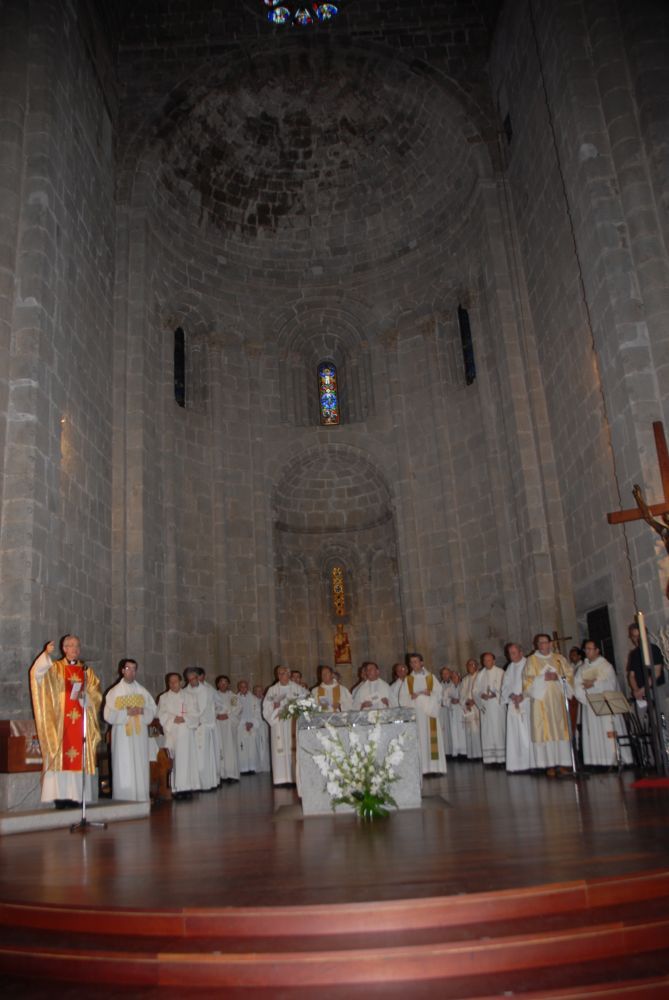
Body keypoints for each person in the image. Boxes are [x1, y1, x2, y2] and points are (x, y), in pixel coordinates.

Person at [29, 636, 102, 808]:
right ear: (64, 648)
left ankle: (75, 796)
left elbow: (96, 694)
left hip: (80, 720)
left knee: (78, 756)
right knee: (61, 755)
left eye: (77, 645)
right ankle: (60, 797)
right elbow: (36, 674)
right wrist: (46, 654)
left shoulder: (86, 671)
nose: (74, 648)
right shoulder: (54, 668)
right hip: (60, 721)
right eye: (70, 645)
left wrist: (87, 698)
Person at [103, 658, 157, 802]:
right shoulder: (114, 692)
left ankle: (141, 797)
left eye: (134, 669)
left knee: (140, 763)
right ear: (122, 671)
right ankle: (124, 798)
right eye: (128, 669)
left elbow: (152, 710)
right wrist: (126, 713)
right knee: (124, 764)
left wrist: (142, 710)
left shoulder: (142, 691)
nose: (131, 672)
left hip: (139, 735)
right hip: (122, 735)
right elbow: (107, 715)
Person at [523, 633, 574, 777]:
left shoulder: (559, 659)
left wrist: (557, 677)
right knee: (546, 730)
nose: (543, 645)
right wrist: (542, 677)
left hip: (557, 700)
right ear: (537, 645)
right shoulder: (531, 660)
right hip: (541, 702)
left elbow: (569, 675)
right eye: (540, 643)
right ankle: (549, 765)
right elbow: (527, 680)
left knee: (560, 729)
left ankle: (564, 763)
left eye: (545, 642)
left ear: (550, 644)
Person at [575, 640, 631, 768]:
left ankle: (615, 759)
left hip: (606, 703)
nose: (587, 652)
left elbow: (611, 684)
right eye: (585, 649)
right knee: (593, 732)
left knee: (609, 730)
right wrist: (585, 694)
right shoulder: (583, 667)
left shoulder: (606, 666)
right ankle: (598, 761)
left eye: (590, 649)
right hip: (590, 705)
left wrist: (593, 684)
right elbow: (577, 685)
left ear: (597, 650)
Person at [398, 652, 446, 775]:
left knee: (432, 739)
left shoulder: (430, 677)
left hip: (430, 715)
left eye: (415, 661)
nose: (413, 664)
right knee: (419, 739)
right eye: (411, 662)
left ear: (422, 663)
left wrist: (430, 694)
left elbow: (440, 693)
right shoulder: (408, 680)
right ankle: (422, 768)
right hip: (417, 715)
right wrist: (412, 697)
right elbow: (402, 699)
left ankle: (435, 768)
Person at [157, 673, 201, 799]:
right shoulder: (163, 698)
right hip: (173, 733)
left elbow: (196, 713)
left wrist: (185, 718)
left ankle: (189, 788)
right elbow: (161, 713)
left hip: (187, 732)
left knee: (188, 760)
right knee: (176, 761)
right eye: (170, 682)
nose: (173, 684)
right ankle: (177, 788)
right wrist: (172, 719)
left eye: (175, 681)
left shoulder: (189, 696)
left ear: (181, 682)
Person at [262, 665, 303, 785]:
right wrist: (274, 709)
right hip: (278, 721)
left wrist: (295, 710)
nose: (280, 675)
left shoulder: (297, 688)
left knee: (292, 747)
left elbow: (304, 704)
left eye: (283, 673)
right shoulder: (272, 690)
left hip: (292, 722)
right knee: (279, 749)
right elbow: (266, 707)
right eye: (279, 673)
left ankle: (294, 778)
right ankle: (281, 779)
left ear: (289, 674)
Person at [185, 667, 219, 791]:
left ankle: (206, 783)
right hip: (192, 727)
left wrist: (198, 720)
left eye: (194, 678)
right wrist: (191, 720)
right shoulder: (185, 692)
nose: (192, 681)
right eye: (189, 679)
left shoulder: (207, 690)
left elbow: (206, 708)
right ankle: (195, 783)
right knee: (194, 755)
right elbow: (186, 709)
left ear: (198, 678)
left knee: (204, 756)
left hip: (203, 726)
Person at [501, 643, 534, 772]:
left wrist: (523, 696)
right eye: (510, 653)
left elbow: (532, 683)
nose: (512, 656)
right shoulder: (510, 667)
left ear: (521, 652)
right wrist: (511, 696)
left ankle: (531, 763)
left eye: (514, 653)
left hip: (526, 703)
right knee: (515, 735)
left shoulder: (529, 664)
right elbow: (505, 686)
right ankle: (517, 764)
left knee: (527, 733)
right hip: (513, 704)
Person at [626, 622, 666, 718]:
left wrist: (643, 689)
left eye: (639, 636)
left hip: (654, 689)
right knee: (646, 719)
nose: (636, 639)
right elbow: (631, 675)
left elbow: (656, 672)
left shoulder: (653, 649)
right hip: (641, 692)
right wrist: (636, 690)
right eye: (634, 636)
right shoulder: (634, 654)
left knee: (661, 717)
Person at [474, 652, 506, 765]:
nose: (486, 662)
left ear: (494, 661)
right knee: (487, 731)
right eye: (484, 660)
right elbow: (475, 691)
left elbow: (505, 688)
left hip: (497, 707)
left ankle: (502, 759)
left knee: (498, 730)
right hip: (486, 707)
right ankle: (490, 759)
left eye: (488, 660)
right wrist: (480, 695)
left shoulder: (501, 672)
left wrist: (495, 694)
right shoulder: (480, 674)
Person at [214, 675, 241, 782]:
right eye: (221, 682)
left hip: (229, 725)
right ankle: (220, 774)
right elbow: (210, 708)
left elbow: (237, 709)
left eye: (225, 682)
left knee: (230, 749)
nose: (223, 684)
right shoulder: (213, 696)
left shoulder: (233, 697)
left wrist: (228, 715)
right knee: (219, 747)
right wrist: (216, 715)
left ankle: (231, 774)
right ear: (217, 684)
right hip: (218, 725)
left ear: (229, 684)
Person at [236, 679, 261, 774]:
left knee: (252, 748)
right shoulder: (235, 698)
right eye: (241, 686)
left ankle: (252, 767)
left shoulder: (254, 699)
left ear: (248, 687)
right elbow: (234, 713)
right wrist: (243, 723)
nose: (243, 688)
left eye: (245, 686)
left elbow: (258, 713)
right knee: (242, 748)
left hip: (252, 726)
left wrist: (252, 723)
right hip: (241, 726)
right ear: (238, 688)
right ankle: (243, 769)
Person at [460, 658, 482, 761]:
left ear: (477, 666)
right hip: (468, 708)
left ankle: (481, 754)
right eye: (468, 665)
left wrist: (475, 701)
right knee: (470, 731)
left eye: (472, 665)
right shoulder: (465, 679)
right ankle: (473, 754)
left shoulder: (481, 676)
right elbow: (462, 694)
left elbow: (483, 691)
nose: (470, 667)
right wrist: (466, 702)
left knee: (478, 730)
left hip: (478, 708)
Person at [446, 670, 467, 757]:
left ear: (459, 677)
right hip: (453, 712)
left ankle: (464, 752)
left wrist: (460, 700)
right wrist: (450, 700)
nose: (454, 678)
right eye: (452, 677)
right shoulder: (449, 688)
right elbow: (444, 699)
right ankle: (456, 752)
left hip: (461, 710)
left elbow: (466, 696)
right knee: (454, 730)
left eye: (455, 677)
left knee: (463, 730)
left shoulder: (463, 686)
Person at [253, 683, 271, 772]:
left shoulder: (266, 700)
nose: (259, 693)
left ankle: (265, 765)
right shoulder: (252, 700)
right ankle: (257, 766)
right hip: (255, 726)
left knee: (265, 744)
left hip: (264, 725)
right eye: (257, 691)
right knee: (257, 746)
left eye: (260, 691)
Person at [439, 668, 453, 757]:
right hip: (443, 712)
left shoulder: (454, 684)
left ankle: (453, 751)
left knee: (452, 730)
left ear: (450, 674)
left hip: (452, 711)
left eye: (446, 673)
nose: (445, 675)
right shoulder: (439, 686)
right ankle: (446, 753)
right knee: (444, 731)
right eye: (443, 674)